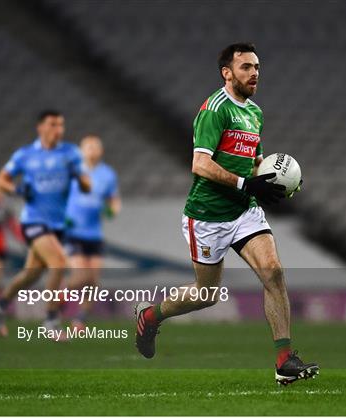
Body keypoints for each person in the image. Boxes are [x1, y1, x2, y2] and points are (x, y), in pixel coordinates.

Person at [134, 43, 319, 385]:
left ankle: (284, 361)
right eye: (246, 67)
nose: (254, 73)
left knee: (274, 274)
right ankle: (151, 315)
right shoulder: (214, 110)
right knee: (205, 295)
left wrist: (270, 182)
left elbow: (255, 164)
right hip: (207, 214)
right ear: (227, 73)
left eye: (257, 67)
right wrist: (246, 184)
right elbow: (200, 164)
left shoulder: (255, 113)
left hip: (244, 212)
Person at [0, 110, 91, 337]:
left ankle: (0, 304)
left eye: (61, 125)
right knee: (59, 262)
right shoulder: (25, 155)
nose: (58, 129)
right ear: (40, 127)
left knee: (31, 273)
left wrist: (79, 177)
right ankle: (51, 318)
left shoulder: (70, 153)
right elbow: (1, 180)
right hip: (33, 221)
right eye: (53, 124)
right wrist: (16, 189)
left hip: (57, 225)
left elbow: (86, 186)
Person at [64, 135, 121, 329]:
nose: (92, 150)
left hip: (94, 233)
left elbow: (113, 199)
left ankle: (80, 318)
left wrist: (113, 209)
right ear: (81, 150)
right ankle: (59, 298)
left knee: (94, 281)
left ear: (101, 151)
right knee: (81, 275)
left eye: (96, 146)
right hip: (73, 231)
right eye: (88, 146)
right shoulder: (72, 171)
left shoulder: (107, 174)